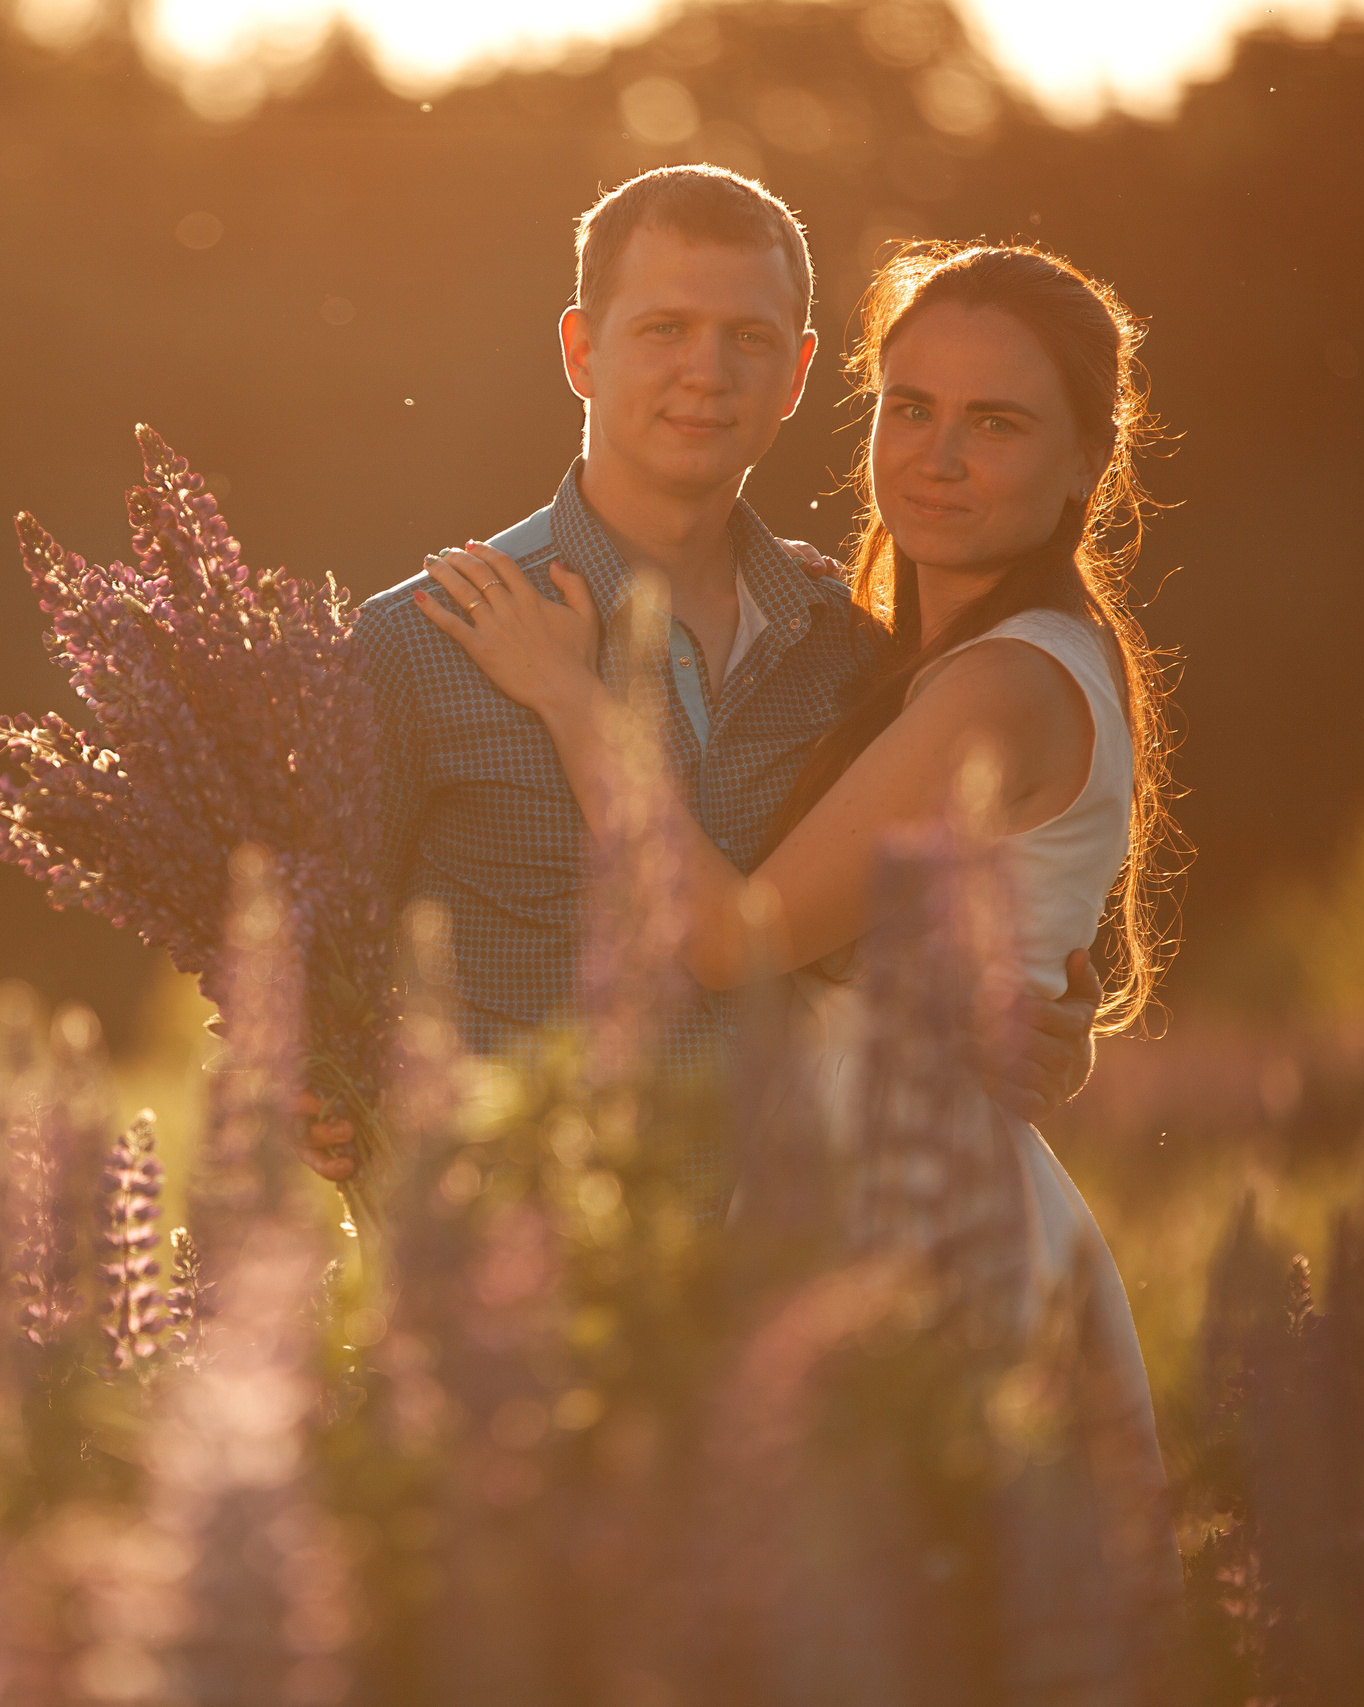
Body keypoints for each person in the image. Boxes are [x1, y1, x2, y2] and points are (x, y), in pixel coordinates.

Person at [417, 238, 1183, 1630]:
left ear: (1085, 465)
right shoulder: (887, 652)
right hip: (842, 1204)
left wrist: (567, 691)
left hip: (921, 1236)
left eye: (997, 422)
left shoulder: (1003, 684)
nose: (937, 456)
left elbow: (732, 936)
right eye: (912, 408)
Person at [326, 166, 1099, 1200]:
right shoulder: (419, 644)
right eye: (663, 329)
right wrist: (309, 1086)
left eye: (749, 338)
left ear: (797, 374)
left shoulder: (856, 664)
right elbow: (304, 944)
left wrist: (1038, 1030)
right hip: (515, 1297)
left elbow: (916, 966)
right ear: (579, 351)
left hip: (790, 1299)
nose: (707, 372)